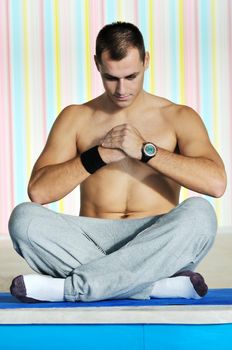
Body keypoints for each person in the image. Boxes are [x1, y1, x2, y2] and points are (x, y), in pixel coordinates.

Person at [8, 22, 226, 303]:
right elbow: (39, 192)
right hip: (91, 237)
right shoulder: (76, 117)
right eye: (111, 78)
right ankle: (155, 285)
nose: (122, 88)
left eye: (131, 76)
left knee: (201, 214)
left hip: (156, 238)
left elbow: (216, 183)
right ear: (97, 63)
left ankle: (71, 289)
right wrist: (98, 155)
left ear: (146, 61)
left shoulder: (178, 116)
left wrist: (146, 151)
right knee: (23, 220)